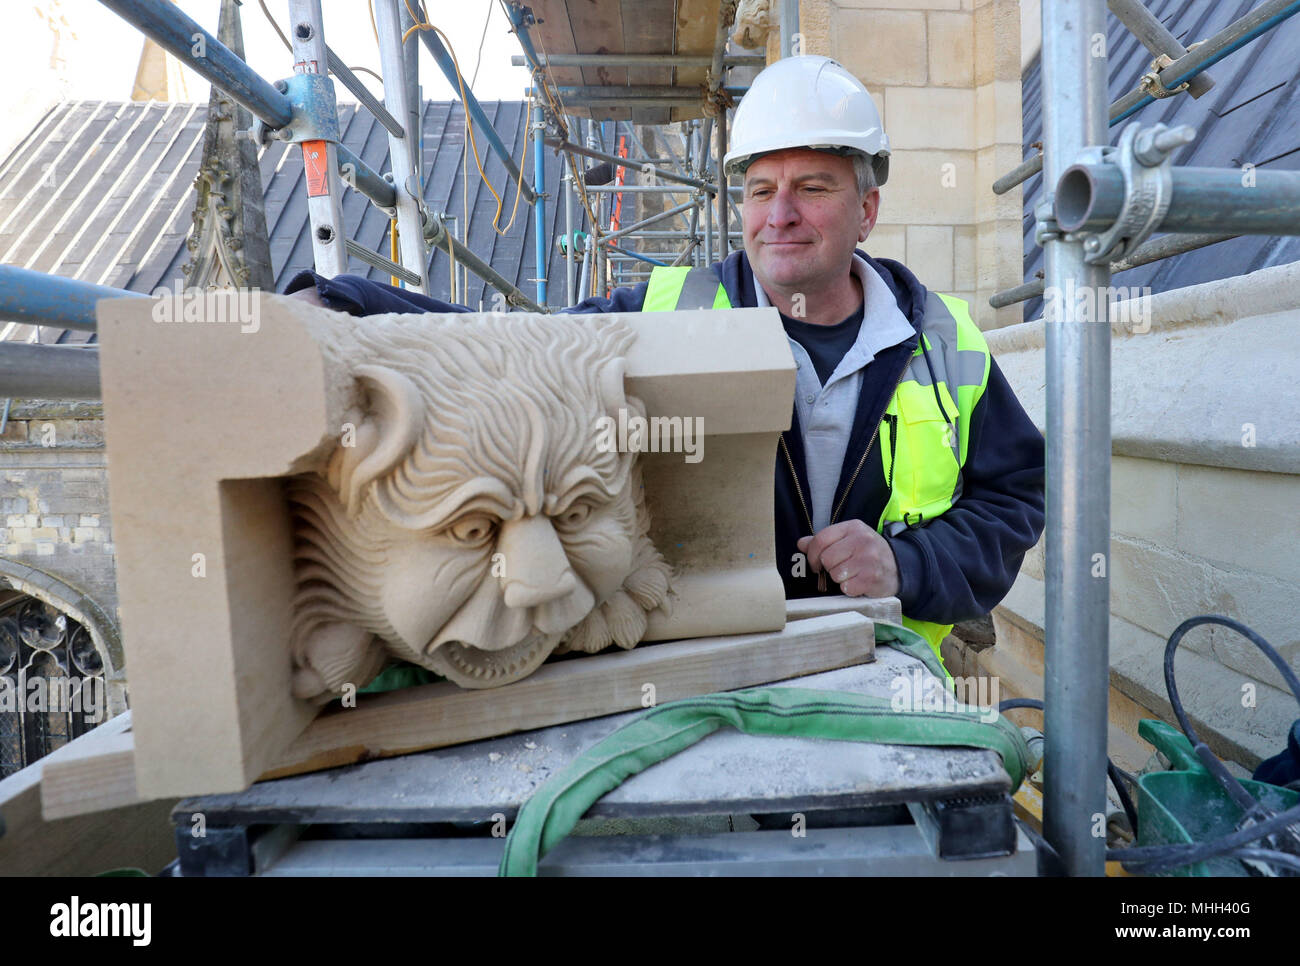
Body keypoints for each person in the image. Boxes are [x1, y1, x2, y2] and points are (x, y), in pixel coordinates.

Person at [285, 55, 1046, 670]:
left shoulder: (943, 341)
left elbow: (1014, 498)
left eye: (812, 188)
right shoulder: (668, 313)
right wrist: (345, 302)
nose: (779, 214)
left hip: (887, 668)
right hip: (713, 669)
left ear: (866, 211)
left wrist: (907, 566)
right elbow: (513, 343)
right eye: (760, 190)